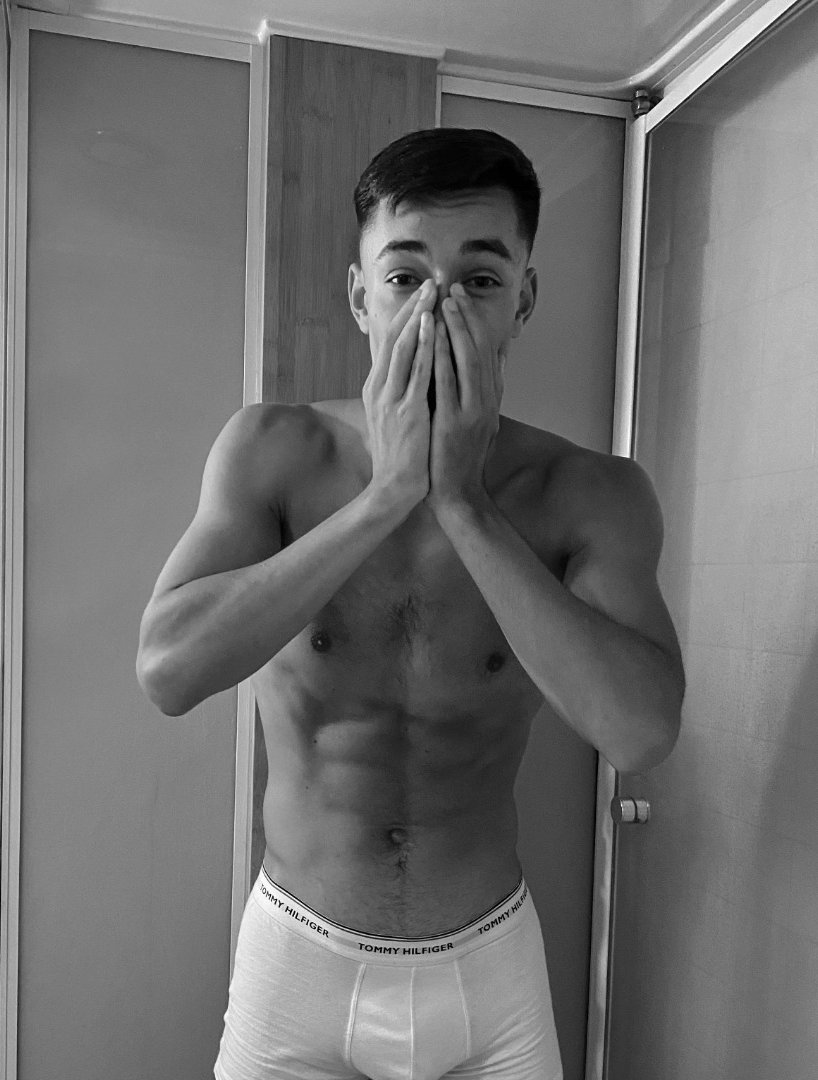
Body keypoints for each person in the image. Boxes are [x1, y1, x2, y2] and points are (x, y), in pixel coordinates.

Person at [136, 127, 685, 1080]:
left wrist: (463, 503)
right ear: (360, 297)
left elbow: (638, 734)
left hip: (489, 975)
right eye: (404, 277)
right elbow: (169, 672)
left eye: (479, 278)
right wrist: (385, 496)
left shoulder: (588, 492)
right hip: (296, 964)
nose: (438, 308)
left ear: (523, 300)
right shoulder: (275, 450)